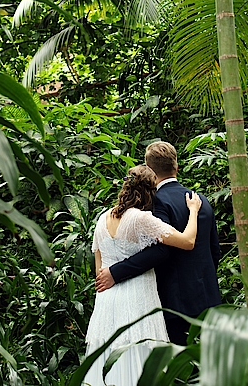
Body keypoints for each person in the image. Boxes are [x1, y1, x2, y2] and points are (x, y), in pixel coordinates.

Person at [84, 164, 202, 386]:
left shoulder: (101, 220)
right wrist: (193, 211)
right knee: (140, 360)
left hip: (106, 303)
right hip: (138, 299)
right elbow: (187, 241)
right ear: (151, 190)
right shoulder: (140, 219)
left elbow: (99, 270)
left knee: (108, 362)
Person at [96, 141, 222, 346]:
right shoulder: (200, 200)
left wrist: (115, 272)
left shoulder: (155, 201)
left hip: (174, 302)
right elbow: (214, 250)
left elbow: (160, 251)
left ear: (149, 170)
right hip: (207, 297)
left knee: (180, 369)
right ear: (176, 166)